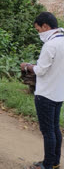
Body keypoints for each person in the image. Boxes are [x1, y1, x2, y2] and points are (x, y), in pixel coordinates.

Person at [21, 12, 64, 169]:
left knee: (48, 132)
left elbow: (40, 71)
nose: (39, 33)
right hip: (59, 93)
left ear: (45, 26)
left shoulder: (50, 45)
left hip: (45, 94)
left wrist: (27, 66)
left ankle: (47, 165)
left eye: (38, 30)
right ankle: (55, 162)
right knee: (55, 128)